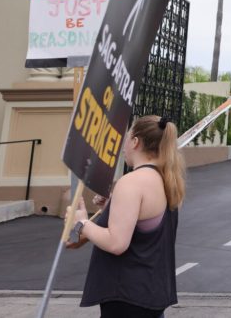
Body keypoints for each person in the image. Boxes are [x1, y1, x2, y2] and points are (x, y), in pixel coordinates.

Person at [71, 115, 185, 318]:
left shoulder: (132, 182)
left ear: (135, 142)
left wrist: (82, 222)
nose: (123, 146)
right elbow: (145, 223)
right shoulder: (167, 180)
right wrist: (112, 206)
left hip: (126, 295)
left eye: (126, 138)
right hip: (151, 293)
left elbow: (117, 243)